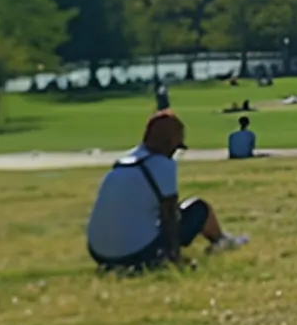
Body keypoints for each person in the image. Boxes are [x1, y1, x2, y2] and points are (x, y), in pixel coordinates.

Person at [86, 112, 247, 270]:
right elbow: (169, 216)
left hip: (99, 255)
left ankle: (221, 239)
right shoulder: (162, 164)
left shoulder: (122, 163)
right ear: (169, 143)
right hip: (136, 255)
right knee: (199, 208)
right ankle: (220, 240)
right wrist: (174, 258)